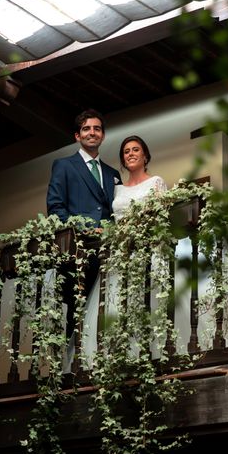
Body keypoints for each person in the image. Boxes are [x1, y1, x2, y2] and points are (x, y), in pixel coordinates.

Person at [46, 109, 121, 370]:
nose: (92, 132)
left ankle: (105, 362)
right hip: (77, 253)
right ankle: (70, 370)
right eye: (87, 129)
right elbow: (56, 208)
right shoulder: (64, 165)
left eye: (97, 128)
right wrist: (86, 230)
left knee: (106, 309)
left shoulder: (113, 173)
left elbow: (116, 211)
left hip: (107, 254)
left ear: (103, 134)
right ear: (77, 135)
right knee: (74, 312)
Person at [83, 135, 167, 364]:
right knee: (115, 306)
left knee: (142, 300)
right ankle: (115, 357)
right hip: (118, 256)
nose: (130, 153)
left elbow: (161, 221)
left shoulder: (156, 182)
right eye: (126, 151)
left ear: (145, 155)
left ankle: (143, 356)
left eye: (135, 149)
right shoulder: (117, 190)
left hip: (143, 252)